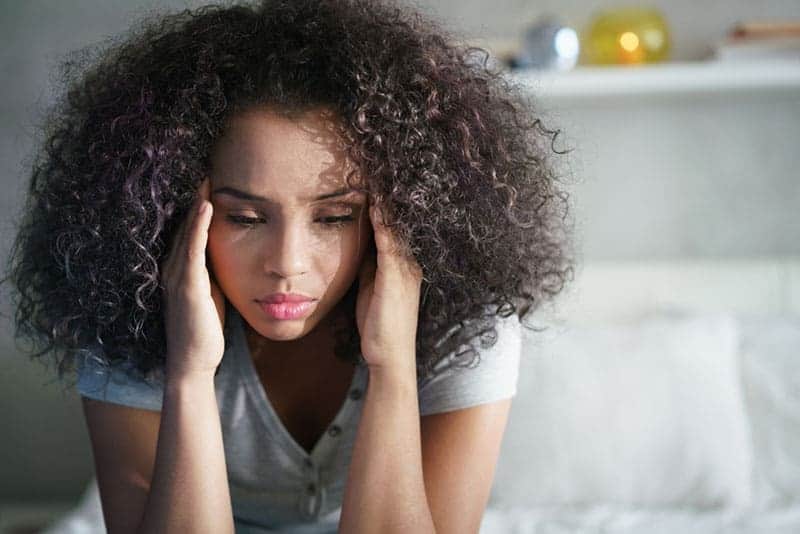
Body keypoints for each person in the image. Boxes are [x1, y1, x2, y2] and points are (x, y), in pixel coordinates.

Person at [2, 0, 575, 532]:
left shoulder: (466, 321)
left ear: (399, 216)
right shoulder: (124, 315)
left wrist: (393, 366)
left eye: (333, 218)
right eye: (247, 218)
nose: (286, 265)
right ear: (172, 210)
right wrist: (189, 375)